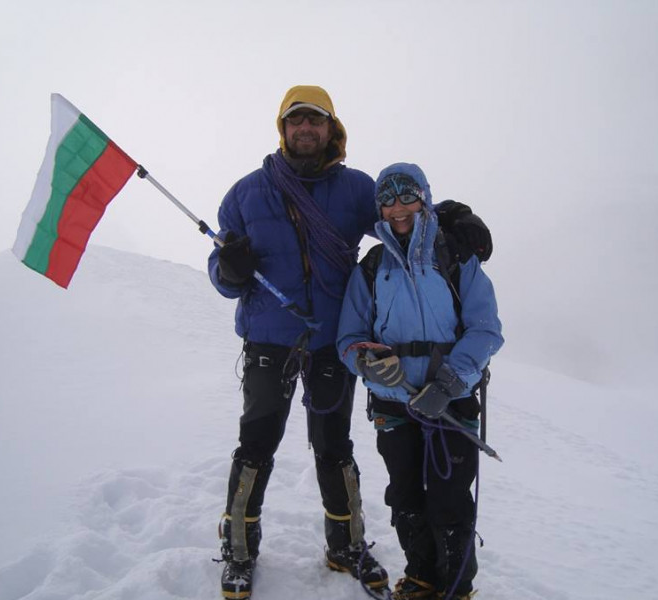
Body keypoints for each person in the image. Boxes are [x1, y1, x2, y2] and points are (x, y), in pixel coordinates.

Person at [208, 86, 492, 600]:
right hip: (268, 341)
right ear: (283, 128)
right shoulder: (246, 194)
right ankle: (239, 551)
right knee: (256, 445)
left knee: (333, 446)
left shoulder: (356, 189)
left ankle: (346, 545)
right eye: (296, 121)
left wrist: (454, 216)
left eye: (315, 120)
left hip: (329, 343)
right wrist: (228, 269)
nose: (305, 130)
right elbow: (223, 270)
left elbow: (403, 216)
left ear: (331, 128)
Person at [336, 163, 504, 600]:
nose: (397, 207)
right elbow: (349, 338)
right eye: (387, 198)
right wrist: (369, 366)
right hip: (394, 404)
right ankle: (421, 578)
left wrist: (449, 382)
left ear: (425, 197)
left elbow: (486, 329)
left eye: (406, 194)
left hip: (452, 402)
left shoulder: (456, 257)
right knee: (406, 497)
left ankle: (456, 588)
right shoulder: (371, 267)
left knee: (449, 500)